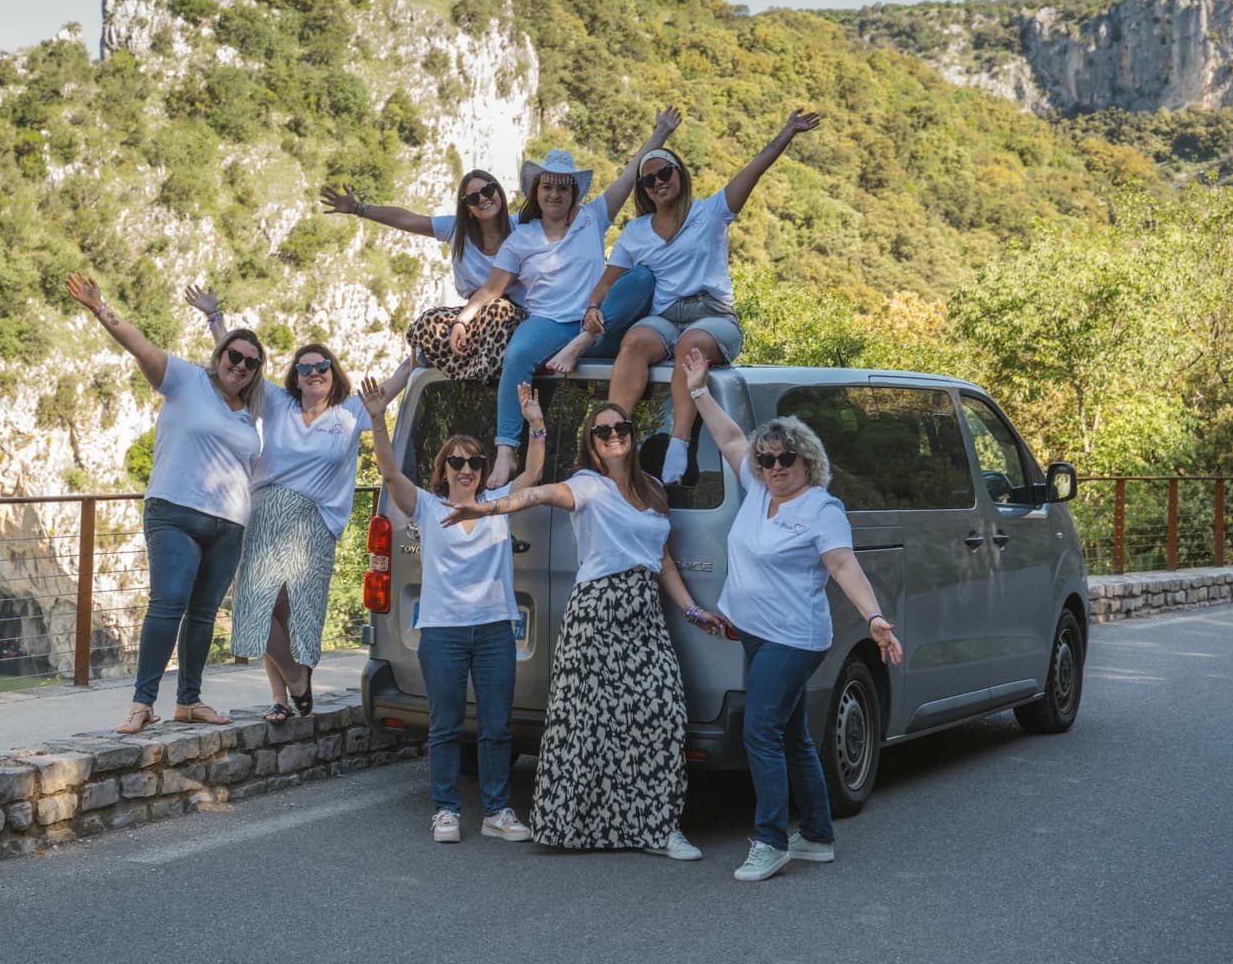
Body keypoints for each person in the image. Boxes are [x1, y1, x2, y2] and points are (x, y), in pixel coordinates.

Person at [441, 401, 728, 858]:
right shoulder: (586, 486)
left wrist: (694, 612)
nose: (612, 435)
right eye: (601, 431)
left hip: (645, 614)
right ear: (591, 444)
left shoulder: (653, 489)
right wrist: (488, 508)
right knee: (587, 727)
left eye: (620, 427)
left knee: (662, 713)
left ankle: (658, 828)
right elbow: (534, 495)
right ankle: (579, 827)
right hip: (596, 612)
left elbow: (664, 561)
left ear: (631, 435)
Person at [679, 347, 904, 882]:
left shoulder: (821, 508)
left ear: (808, 462)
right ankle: (818, 836)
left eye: (786, 459)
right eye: (768, 459)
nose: (775, 467)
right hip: (755, 633)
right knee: (792, 735)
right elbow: (732, 437)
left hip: (795, 639)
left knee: (760, 729)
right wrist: (696, 391)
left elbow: (844, 565)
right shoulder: (757, 489)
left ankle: (771, 839)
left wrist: (873, 618)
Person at [185, 285, 410, 725]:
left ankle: (285, 696)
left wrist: (416, 355)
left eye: (321, 366)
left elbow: (397, 382)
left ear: (332, 371)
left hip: (316, 521)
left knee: (299, 608)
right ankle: (292, 684)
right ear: (295, 376)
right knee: (261, 602)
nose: (313, 372)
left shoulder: (350, 413)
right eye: (304, 367)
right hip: (268, 510)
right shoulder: (279, 402)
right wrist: (215, 319)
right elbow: (238, 364)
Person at [64, 272, 265, 735]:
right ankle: (142, 703)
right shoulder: (186, 380)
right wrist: (99, 307)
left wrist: (219, 320)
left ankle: (189, 700)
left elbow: (240, 352)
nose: (240, 365)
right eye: (233, 356)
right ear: (219, 358)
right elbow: (139, 345)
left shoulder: (247, 412)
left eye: (250, 363)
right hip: (174, 511)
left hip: (229, 525)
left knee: (203, 613)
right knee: (169, 602)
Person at [580, 108, 822, 485]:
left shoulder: (710, 212)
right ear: (642, 191)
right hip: (666, 316)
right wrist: (594, 305)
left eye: (665, 173)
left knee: (691, 347)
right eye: (649, 180)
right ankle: (614, 441)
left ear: (680, 176)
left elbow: (753, 170)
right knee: (634, 342)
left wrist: (787, 132)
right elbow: (608, 280)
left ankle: (679, 443)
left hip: (714, 316)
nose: (658, 182)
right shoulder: (637, 231)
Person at [447, 109, 681, 488]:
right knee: (519, 354)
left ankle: (581, 344)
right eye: (547, 187)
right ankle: (506, 451)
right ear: (536, 193)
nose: (555, 194)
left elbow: (629, 173)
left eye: (562, 187)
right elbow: (491, 289)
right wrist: (463, 318)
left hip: (597, 325)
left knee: (640, 277)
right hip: (550, 327)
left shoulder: (594, 217)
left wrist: (661, 132)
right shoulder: (521, 238)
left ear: (574, 192)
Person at [363, 376, 547, 844]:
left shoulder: (495, 505)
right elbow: (388, 473)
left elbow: (533, 475)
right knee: (445, 726)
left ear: (484, 469)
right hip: (442, 632)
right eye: (457, 462)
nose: (466, 469)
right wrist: (377, 419)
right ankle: (446, 810)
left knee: (495, 727)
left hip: (492, 630)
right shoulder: (424, 506)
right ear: (443, 469)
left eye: (474, 462)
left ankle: (496, 811)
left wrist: (535, 424)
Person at [320, 171, 526, 382]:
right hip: (473, 316)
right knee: (427, 323)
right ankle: (441, 377)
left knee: (498, 309)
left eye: (488, 190)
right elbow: (407, 219)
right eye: (473, 198)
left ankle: (484, 380)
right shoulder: (457, 230)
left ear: (499, 191)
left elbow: (554, 214)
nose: (483, 199)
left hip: (512, 315)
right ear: (468, 208)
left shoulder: (521, 225)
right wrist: (358, 208)